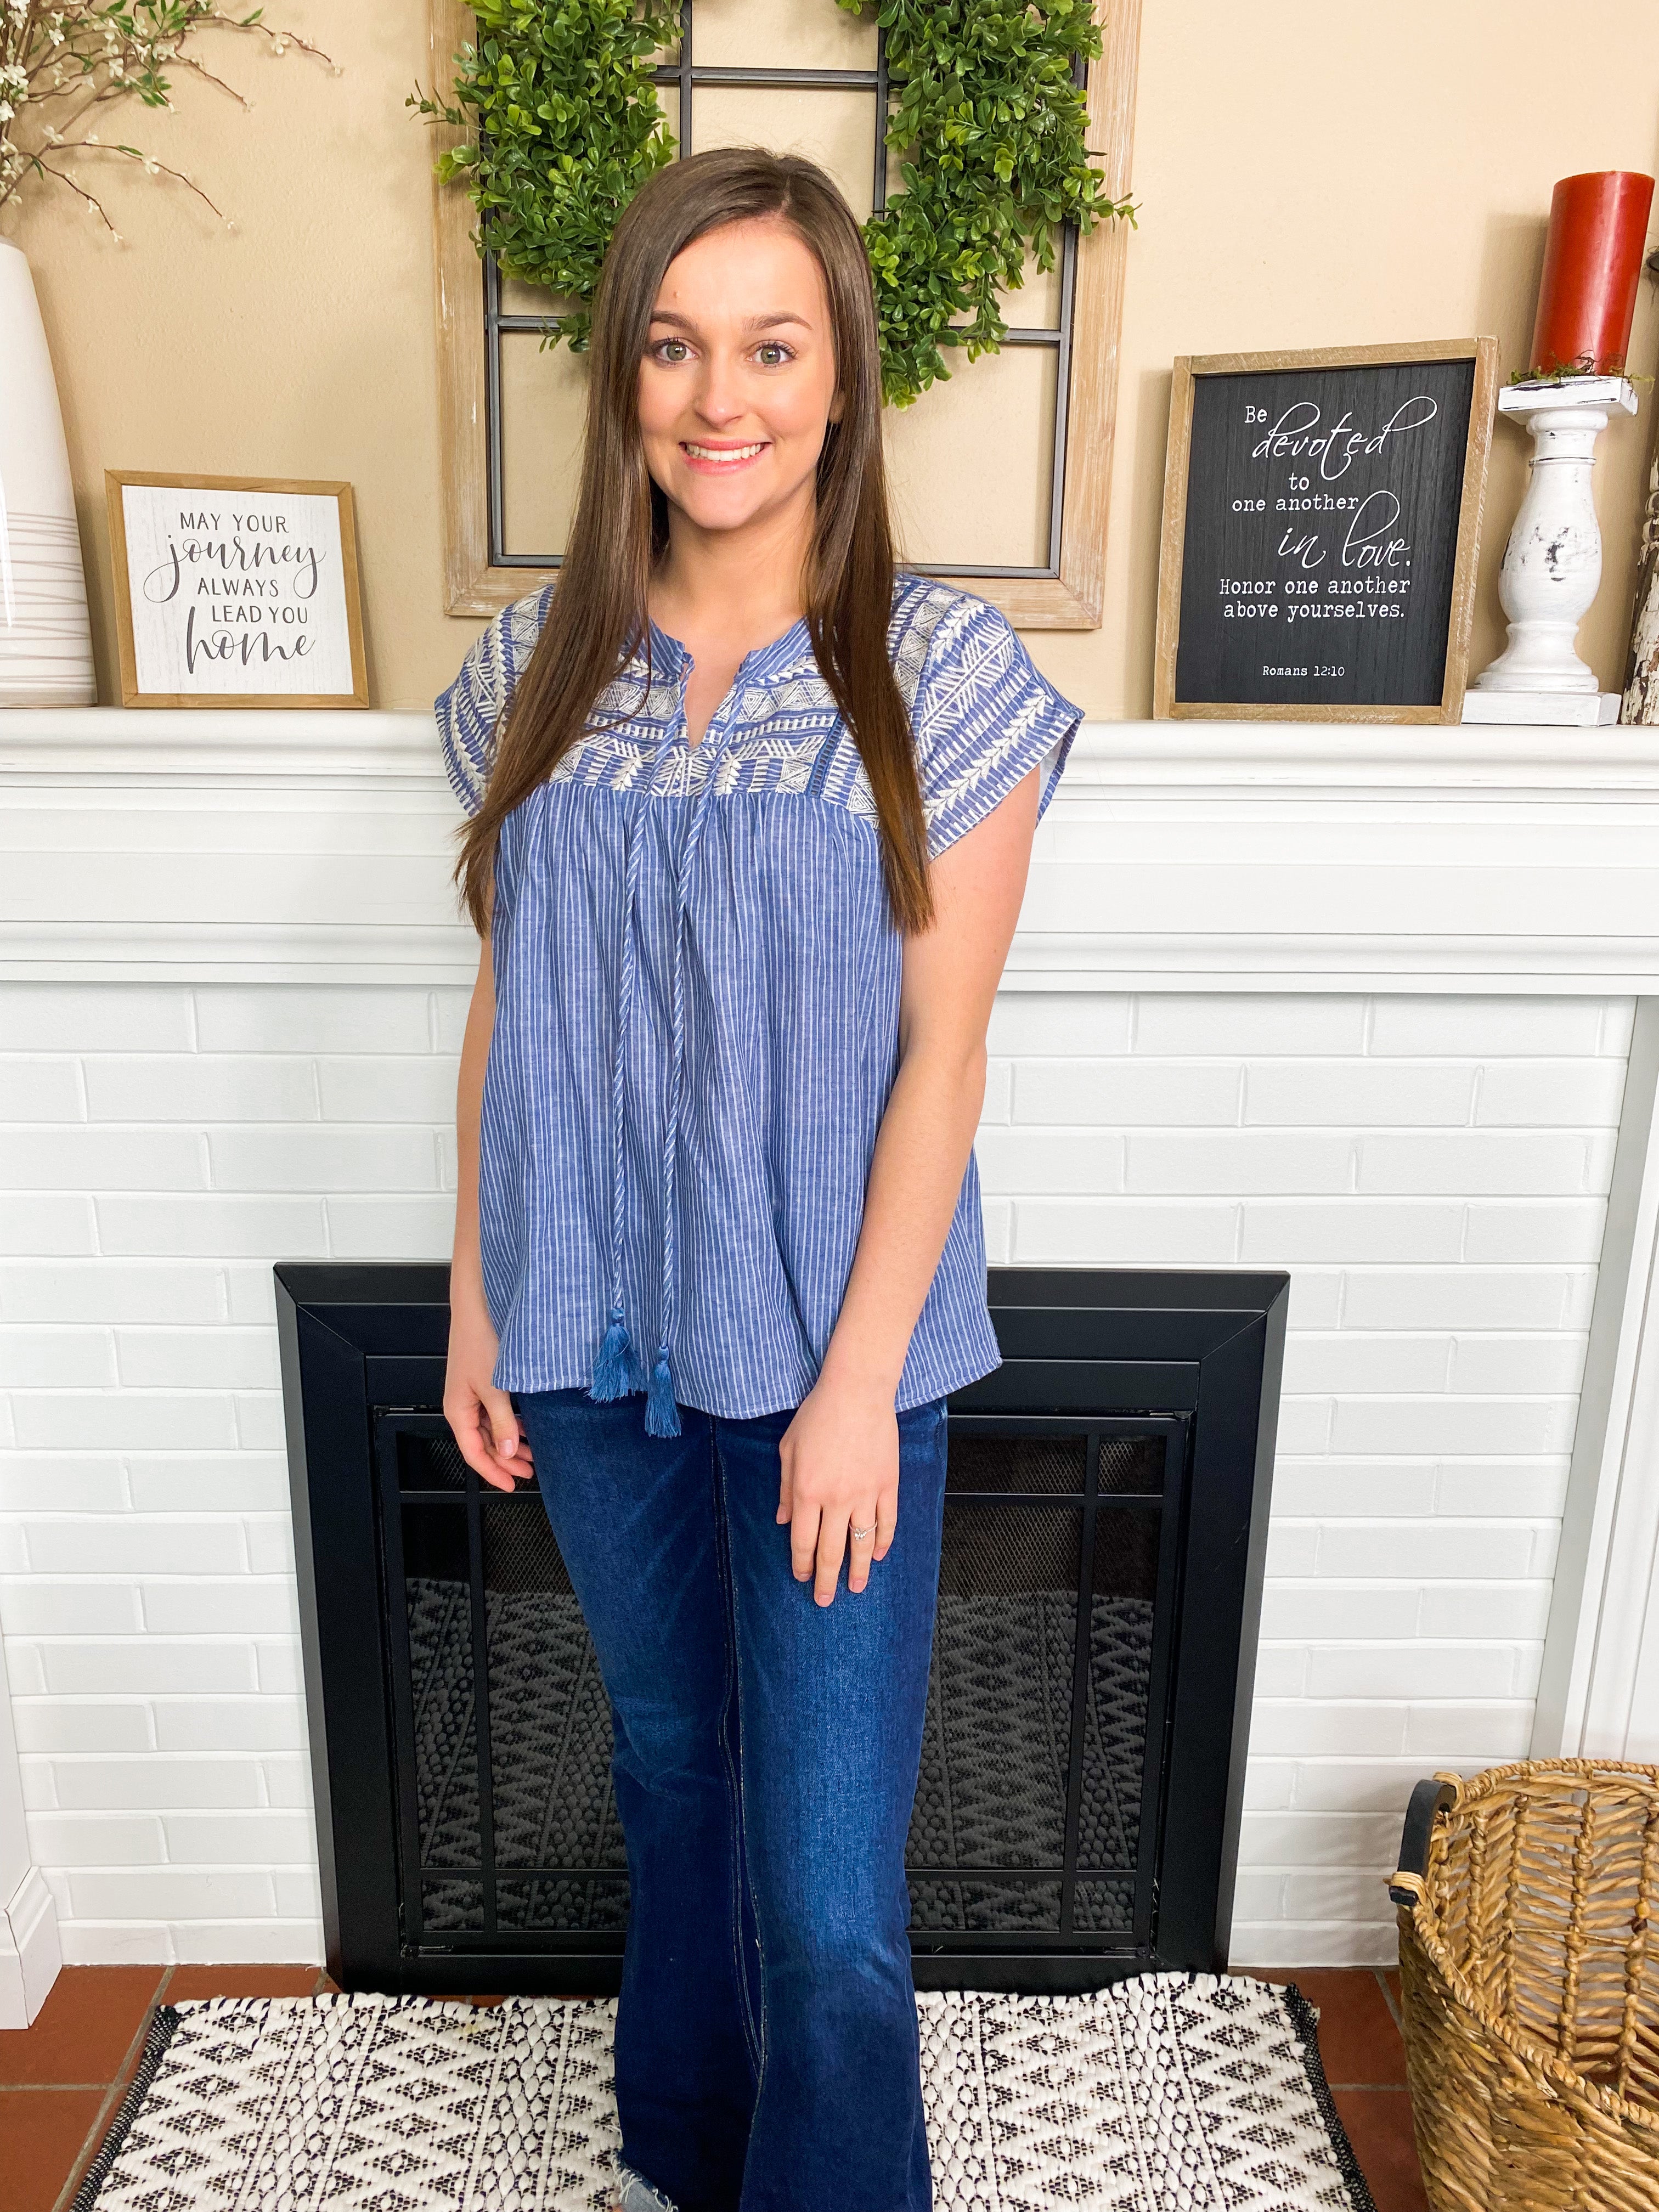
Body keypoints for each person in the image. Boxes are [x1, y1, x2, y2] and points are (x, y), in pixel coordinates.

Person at [437, 145, 1080, 2212]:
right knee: (669, 1787)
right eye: (674, 345)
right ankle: (680, 2164)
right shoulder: (536, 675)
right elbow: (507, 1011)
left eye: (771, 346)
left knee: (824, 1898)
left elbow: (943, 1060)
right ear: (625, 378)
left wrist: (853, 1391)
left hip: (830, 1366)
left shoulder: (939, 678)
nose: (722, 396)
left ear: (838, 379)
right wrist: (477, 1293)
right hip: (581, 1354)